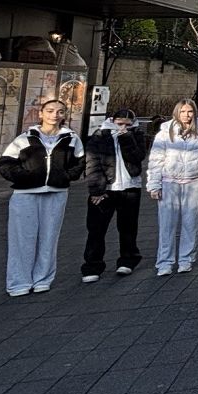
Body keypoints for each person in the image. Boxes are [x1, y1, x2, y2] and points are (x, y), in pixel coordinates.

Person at [0, 99, 84, 296]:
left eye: (60, 111)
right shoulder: (25, 138)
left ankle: (43, 279)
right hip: (25, 194)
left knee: (49, 238)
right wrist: (24, 177)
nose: (55, 115)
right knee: (22, 238)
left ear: (64, 115)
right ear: (41, 114)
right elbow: (4, 163)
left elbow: (79, 163)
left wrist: (65, 177)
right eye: (50, 111)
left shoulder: (71, 138)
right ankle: (19, 282)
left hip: (56, 193)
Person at [81, 107, 145, 282]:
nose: (123, 127)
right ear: (112, 121)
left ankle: (128, 259)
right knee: (96, 229)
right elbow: (92, 162)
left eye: (127, 124)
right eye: (119, 124)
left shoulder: (136, 134)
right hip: (106, 188)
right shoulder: (99, 135)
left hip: (130, 187)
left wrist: (126, 138)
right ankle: (92, 265)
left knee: (128, 227)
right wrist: (96, 190)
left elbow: (138, 156)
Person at [148, 99, 198, 276]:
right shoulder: (165, 133)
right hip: (169, 181)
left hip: (193, 181)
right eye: (183, 111)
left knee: (190, 224)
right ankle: (165, 262)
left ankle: (186, 259)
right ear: (177, 113)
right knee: (167, 225)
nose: (186, 115)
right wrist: (154, 184)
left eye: (190, 112)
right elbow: (156, 159)